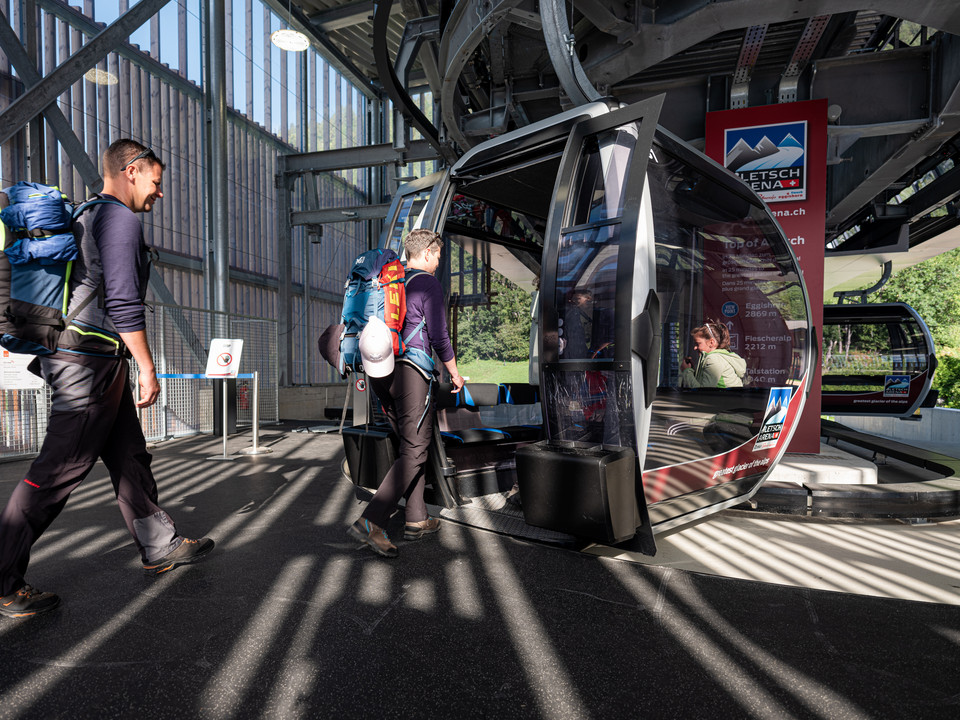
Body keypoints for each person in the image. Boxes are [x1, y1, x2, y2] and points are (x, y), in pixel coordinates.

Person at [0, 140, 214, 619]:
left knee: (128, 456)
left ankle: (160, 544)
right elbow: (121, 303)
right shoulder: (118, 218)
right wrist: (148, 367)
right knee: (57, 472)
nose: (159, 194)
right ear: (132, 171)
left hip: (93, 359)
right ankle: (3, 581)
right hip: (88, 364)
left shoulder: (87, 213)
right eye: (156, 183)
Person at [347, 229, 465, 558]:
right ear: (425, 253)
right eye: (438, 256)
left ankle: (416, 518)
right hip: (412, 371)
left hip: (381, 371)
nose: (439, 262)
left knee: (408, 447)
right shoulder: (427, 284)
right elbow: (440, 337)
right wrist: (454, 373)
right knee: (415, 449)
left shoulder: (388, 284)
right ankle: (371, 521)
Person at [679, 320, 747, 389]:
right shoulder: (717, 357)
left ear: (711, 343)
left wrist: (687, 371)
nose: (695, 347)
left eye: (698, 343)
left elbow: (703, 392)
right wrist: (692, 371)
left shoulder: (713, 359)